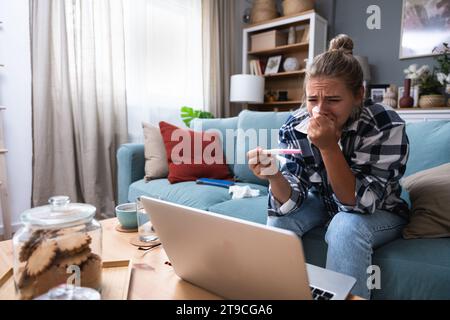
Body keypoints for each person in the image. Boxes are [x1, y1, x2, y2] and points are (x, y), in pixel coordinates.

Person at [247, 34, 410, 299]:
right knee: (280, 219)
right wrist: (274, 176)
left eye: (333, 100)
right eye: (312, 100)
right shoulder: (294, 124)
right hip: (323, 202)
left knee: (346, 226)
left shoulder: (385, 125)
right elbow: (293, 197)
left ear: (359, 95)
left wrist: (328, 148)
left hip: (379, 210)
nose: (319, 111)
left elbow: (357, 204)